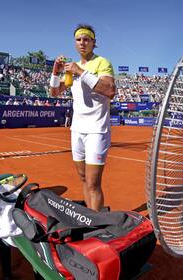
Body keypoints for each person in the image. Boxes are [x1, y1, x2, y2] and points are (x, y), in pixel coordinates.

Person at [49, 24, 116, 211]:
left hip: (97, 130)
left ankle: (94, 225)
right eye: (78, 39)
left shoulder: (102, 62)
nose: (82, 43)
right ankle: (90, 215)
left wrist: (81, 72)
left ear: (94, 43)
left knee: (93, 183)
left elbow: (109, 90)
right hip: (77, 129)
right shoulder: (71, 68)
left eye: (86, 39)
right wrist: (55, 72)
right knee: (84, 178)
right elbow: (54, 92)